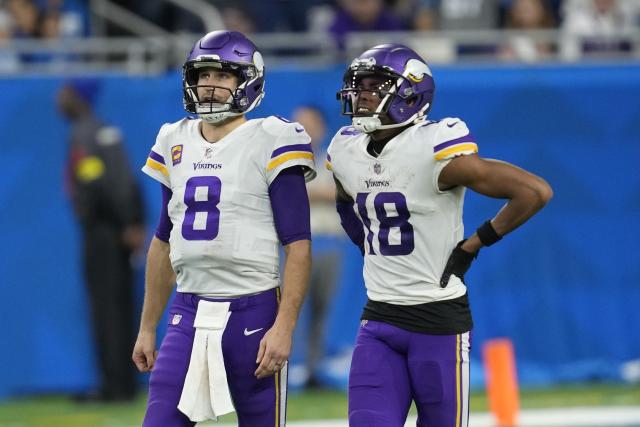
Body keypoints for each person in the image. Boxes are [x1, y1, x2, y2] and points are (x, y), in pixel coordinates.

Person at [329, 44, 552, 426]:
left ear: (410, 92)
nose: (362, 93)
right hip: (379, 319)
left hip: (438, 324)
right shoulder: (345, 147)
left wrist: (475, 243)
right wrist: (367, 245)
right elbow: (344, 202)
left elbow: (534, 192)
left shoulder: (433, 145)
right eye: (359, 84)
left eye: (375, 85)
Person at [131, 30, 316, 427]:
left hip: (253, 306)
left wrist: (283, 327)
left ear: (247, 82)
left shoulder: (272, 137)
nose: (209, 86)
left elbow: (298, 245)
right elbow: (163, 240)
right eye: (203, 76)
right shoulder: (173, 138)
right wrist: (147, 327)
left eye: (222, 76)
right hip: (188, 308)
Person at [57, 78, 146, 402]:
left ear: (79, 97)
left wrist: (128, 222)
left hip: (105, 233)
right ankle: (121, 383)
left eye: (65, 92)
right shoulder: (102, 131)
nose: (59, 98)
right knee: (118, 307)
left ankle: (115, 386)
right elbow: (125, 181)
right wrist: (133, 220)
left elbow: (108, 183)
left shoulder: (88, 133)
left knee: (108, 309)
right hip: (114, 229)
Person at [288, 105, 344, 390]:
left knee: (322, 309)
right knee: (289, 307)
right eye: (300, 126)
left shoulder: (334, 161)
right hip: (295, 245)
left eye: (310, 125)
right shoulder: (285, 163)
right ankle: (287, 368)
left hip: (328, 243)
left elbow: (342, 193)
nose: (306, 132)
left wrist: (310, 194)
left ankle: (312, 370)